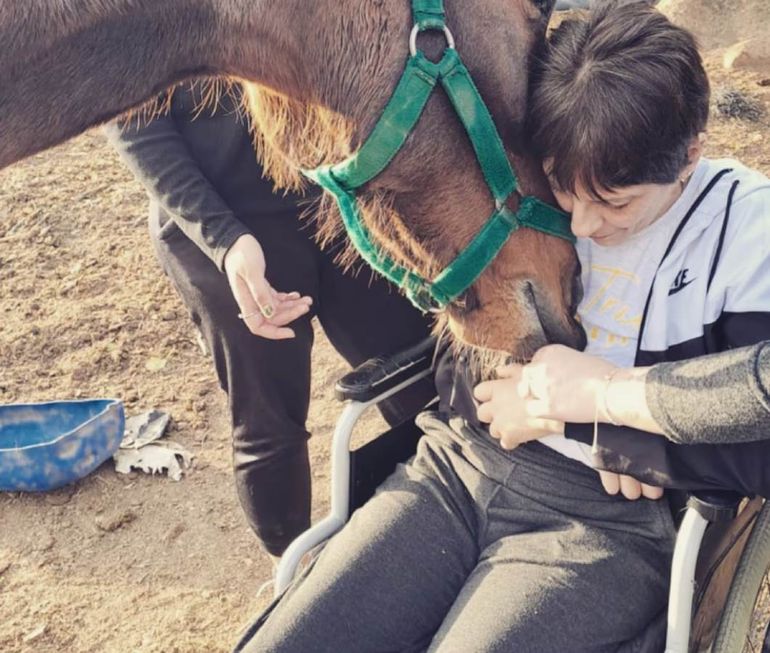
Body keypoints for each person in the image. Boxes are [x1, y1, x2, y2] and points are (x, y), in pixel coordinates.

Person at [234, 3, 770, 651]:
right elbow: (460, 366)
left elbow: (753, 438)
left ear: (690, 155)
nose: (582, 226)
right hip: (456, 467)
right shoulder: (545, 169)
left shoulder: (745, 233)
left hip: (606, 523)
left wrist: (592, 424)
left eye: (616, 204)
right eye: (568, 193)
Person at [104, 82, 433, 558]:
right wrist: (224, 240)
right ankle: (291, 567)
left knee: (417, 372)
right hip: (223, 217)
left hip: (334, 195)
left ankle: (442, 522)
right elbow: (133, 124)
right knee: (270, 416)